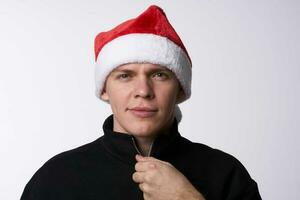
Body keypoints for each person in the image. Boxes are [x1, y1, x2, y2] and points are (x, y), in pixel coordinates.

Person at [21, 5, 262, 200]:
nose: (143, 91)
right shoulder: (55, 179)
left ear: (180, 90)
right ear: (105, 89)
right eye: (125, 75)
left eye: (159, 75)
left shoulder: (225, 174)